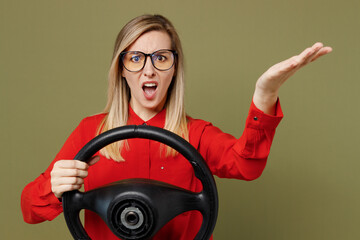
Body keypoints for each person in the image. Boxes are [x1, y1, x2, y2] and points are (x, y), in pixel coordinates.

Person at [21, 14, 332, 239]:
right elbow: (30, 210)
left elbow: (246, 165)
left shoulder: (196, 133)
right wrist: (54, 186)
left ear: (174, 68)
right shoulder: (90, 132)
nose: (149, 69)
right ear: (121, 70)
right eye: (136, 58)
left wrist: (265, 94)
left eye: (161, 57)